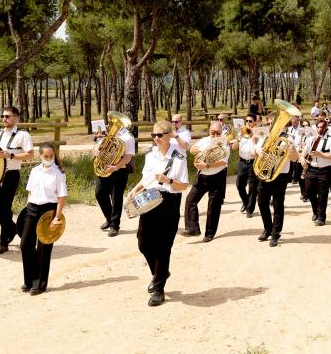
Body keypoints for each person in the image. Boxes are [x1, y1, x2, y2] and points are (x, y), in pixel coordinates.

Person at [127, 120, 189, 306]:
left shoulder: (178, 156)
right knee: (143, 242)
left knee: (163, 246)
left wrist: (168, 180)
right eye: (153, 135)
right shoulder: (151, 155)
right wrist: (135, 189)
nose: (156, 138)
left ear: (170, 135)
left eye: (160, 135)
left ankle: (159, 288)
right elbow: (146, 178)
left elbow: (183, 186)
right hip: (149, 197)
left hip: (169, 201)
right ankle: (160, 272)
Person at [18, 141, 66, 295]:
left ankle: (39, 284)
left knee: (43, 249)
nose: (49, 158)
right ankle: (29, 279)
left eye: (51, 156)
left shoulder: (59, 173)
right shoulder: (34, 171)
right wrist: (27, 210)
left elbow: (61, 197)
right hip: (32, 209)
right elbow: (30, 192)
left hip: (48, 211)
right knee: (25, 244)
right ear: (40, 155)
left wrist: (57, 218)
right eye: (46, 156)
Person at [0, 106, 34, 255]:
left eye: (7, 116)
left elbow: (30, 155)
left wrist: (11, 156)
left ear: (16, 118)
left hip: (11, 175)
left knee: (5, 207)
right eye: (3, 116)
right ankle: (12, 228)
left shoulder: (23, 135)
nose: (4, 119)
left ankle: (3, 242)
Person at [181, 121, 230, 242]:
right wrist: (204, 149)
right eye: (213, 133)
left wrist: (207, 165)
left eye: (218, 133)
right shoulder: (204, 140)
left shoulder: (224, 143)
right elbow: (192, 149)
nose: (215, 135)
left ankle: (210, 233)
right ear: (209, 131)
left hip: (218, 176)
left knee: (213, 206)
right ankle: (193, 229)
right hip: (202, 176)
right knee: (190, 200)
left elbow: (223, 162)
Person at [94, 121, 136, 237]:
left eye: (113, 122)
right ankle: (109, 219)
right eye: (110, 122)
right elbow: (98, 145)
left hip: (120, 170)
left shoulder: (127, 137)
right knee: (99, 193)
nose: (110, 124)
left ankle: (115, 226)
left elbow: (128, 156)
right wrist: (96, 149)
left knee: (116, 197)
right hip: (105, 168)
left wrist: (115, 167)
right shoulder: (108, 133)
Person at [255, 139, 298, 247]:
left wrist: (291, 149)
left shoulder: (288, 140)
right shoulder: (265, 138)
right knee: (261, 203)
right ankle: (268, 229)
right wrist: (258, 151)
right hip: (264, 173)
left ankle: (275, 234)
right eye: (270, 123)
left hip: (280, 176)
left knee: (277, 205)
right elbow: (253, 152)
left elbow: (295, 158)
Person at [304, 118, 331, 226]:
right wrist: (302, 160)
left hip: (325, 170)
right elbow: (303, 152)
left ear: (326, 128)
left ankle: (321, 217)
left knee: (323, 194)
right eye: (318, 127)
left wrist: (320, 154)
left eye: (322, 127)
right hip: (312, 169)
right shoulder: (311, 139)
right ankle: (315, 210)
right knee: (309, 191)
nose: (319, 129)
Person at [236, 114, 262, 217]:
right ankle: (246, 203)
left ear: (255, 123)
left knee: (252, 187)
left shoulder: (259, 134)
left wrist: (253, 137)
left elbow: (258, 148)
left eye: (250, 121)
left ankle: (249, 210)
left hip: (253, 162)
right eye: (246, 121)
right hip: (242, 162)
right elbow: (234, 147)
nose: (248, 123)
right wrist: (239, 138)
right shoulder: (241, 133)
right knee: (239, 185)